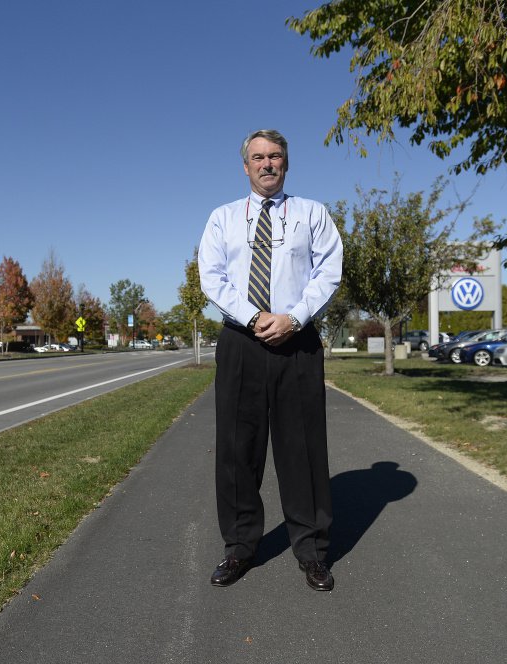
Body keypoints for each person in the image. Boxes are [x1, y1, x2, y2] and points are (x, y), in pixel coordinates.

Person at [198, 129, 343, 591]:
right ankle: (240, 548)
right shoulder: (222, 219)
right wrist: (256, 316)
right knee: (238, 450)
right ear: (245, 166)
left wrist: (294, 318)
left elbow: (329, 273)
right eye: (258, 157)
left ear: (286, 163)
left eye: (275, 156)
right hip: (242, 342)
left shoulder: (312, 214)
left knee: (302, 450)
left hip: (297, 344)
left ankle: (312, 550)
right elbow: (212, 277)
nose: (267, 164)